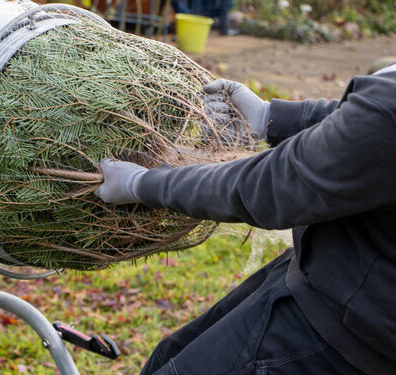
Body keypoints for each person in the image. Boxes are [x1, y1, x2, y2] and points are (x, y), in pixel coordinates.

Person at [94, 62, 396, 375]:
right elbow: (363, 128)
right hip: (331, 271)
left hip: (346, 334)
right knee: (167, 356)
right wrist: (272, 118)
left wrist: (144, 184)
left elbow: (272, 185)